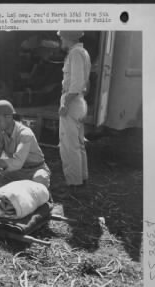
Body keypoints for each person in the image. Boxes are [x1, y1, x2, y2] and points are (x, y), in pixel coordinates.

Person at [0, 100, 51, 190]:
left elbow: (18, 162)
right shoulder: (2, 132)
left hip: (35, 170)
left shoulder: (25, 134)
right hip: (17, 172)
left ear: (9, 117)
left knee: (39, 179)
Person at [57, 31, 91, 192]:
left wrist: (66, 104)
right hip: (79, 100)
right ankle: (82, 178)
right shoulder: (83, 52)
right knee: (78, 143)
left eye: (62, 37)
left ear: (69, 37)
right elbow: (86, 82)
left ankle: (73, 184)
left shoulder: (75, 53)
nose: (61, 40)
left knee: (69, 145)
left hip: (71, 101)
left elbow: (76, 84)